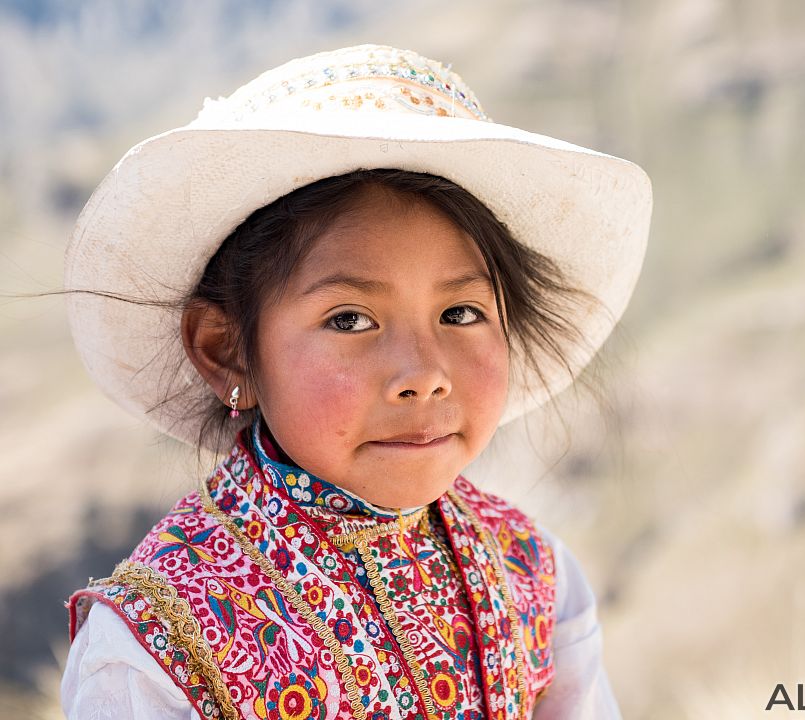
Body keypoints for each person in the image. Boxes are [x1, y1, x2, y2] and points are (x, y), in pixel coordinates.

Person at [59, 44, 652, 720]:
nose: (424, 374)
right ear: (227, 353)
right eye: (350, 319)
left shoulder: (533, 575)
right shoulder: (155, 648)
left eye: (461, 313)